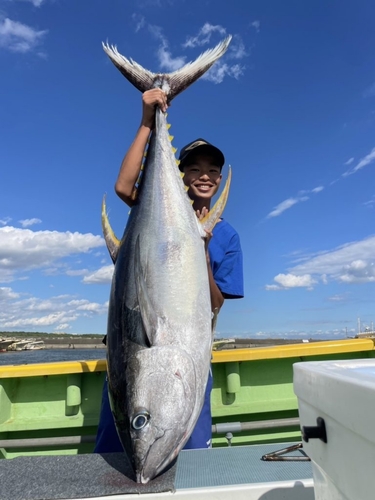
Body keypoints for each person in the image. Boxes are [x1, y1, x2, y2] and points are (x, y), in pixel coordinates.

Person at [94, 88, 244, 453]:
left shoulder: (226, 234)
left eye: (213, 170)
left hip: (188, 356)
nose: (204, 176)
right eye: (193, 168)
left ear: (220, 179)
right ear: (179, 173)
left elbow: (216, 303)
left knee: (189, 455)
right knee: (121, 451)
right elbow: (123, 186)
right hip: (133, 361)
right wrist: (149, 121)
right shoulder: (153, 209)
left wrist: (202, 249)